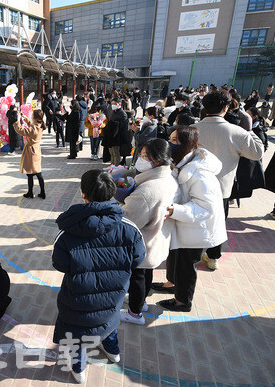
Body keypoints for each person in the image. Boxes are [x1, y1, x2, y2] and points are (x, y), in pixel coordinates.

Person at [53, 170, 145, 382]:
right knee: (109, 324)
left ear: (84, 194)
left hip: (76, 300)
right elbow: (138, 259)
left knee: (76, 336)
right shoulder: (129, 228)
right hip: (112, 300)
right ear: (113, 192)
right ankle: (113, 352)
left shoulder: (68, 231)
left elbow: (59, 264)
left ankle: (79, 369)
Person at [156, 126, 227, 312]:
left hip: (198, 228)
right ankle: (171, 284)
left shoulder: (200, 173)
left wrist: (175, 211)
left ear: (187, 144)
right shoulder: (181, 163)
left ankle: (182, 301)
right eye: (170, 138)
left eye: (176, 140)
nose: (171, 143)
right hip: (185, 224)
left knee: (186, 264)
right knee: (174, 256)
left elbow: (205, 208)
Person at [191, 90, 264, 270]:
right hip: (222, 188)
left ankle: (191, 255)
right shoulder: (237, 131)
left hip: (193, 185)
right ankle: (213, 256)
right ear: (226, 108)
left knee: (192, 220)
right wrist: (249, 130)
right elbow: (257, 153)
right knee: (217, 223)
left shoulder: (192, 130)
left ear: (204, 107)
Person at [121, 139, 178, 324]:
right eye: (141, 155)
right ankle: (141, 302)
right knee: (146, 272)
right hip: (156, 238)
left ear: (159, 160)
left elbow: (130, 219)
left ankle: (134, 313)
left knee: (137, 275)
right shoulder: (168, 178)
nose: (140, 159)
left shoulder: (148, 190)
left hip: (144, 240)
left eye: (146, 156)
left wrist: (120, 204)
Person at [13, 109, 46, 199]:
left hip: (31, 151)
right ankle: (42, 192)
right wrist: (25, 119)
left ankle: (30, 193)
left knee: (30, 174)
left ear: (35, 118)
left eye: (32, 116)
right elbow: (32, 126)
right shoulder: (41, 125)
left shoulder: (33, 129)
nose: (31, 117)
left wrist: (17, 120)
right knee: (38, 173)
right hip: (37, 150)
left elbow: (20, 130)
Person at [103, 98, 129, 165]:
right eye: (112, 104)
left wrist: (115, 124)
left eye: (115, 104)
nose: (113, 105)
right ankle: (112, 165)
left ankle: (116, 167)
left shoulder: (122, 113)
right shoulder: (114, 112)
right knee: (111, 153)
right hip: (111, 136)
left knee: (116, 153)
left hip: (117, 137)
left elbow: (123, 126)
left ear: (119, 104)